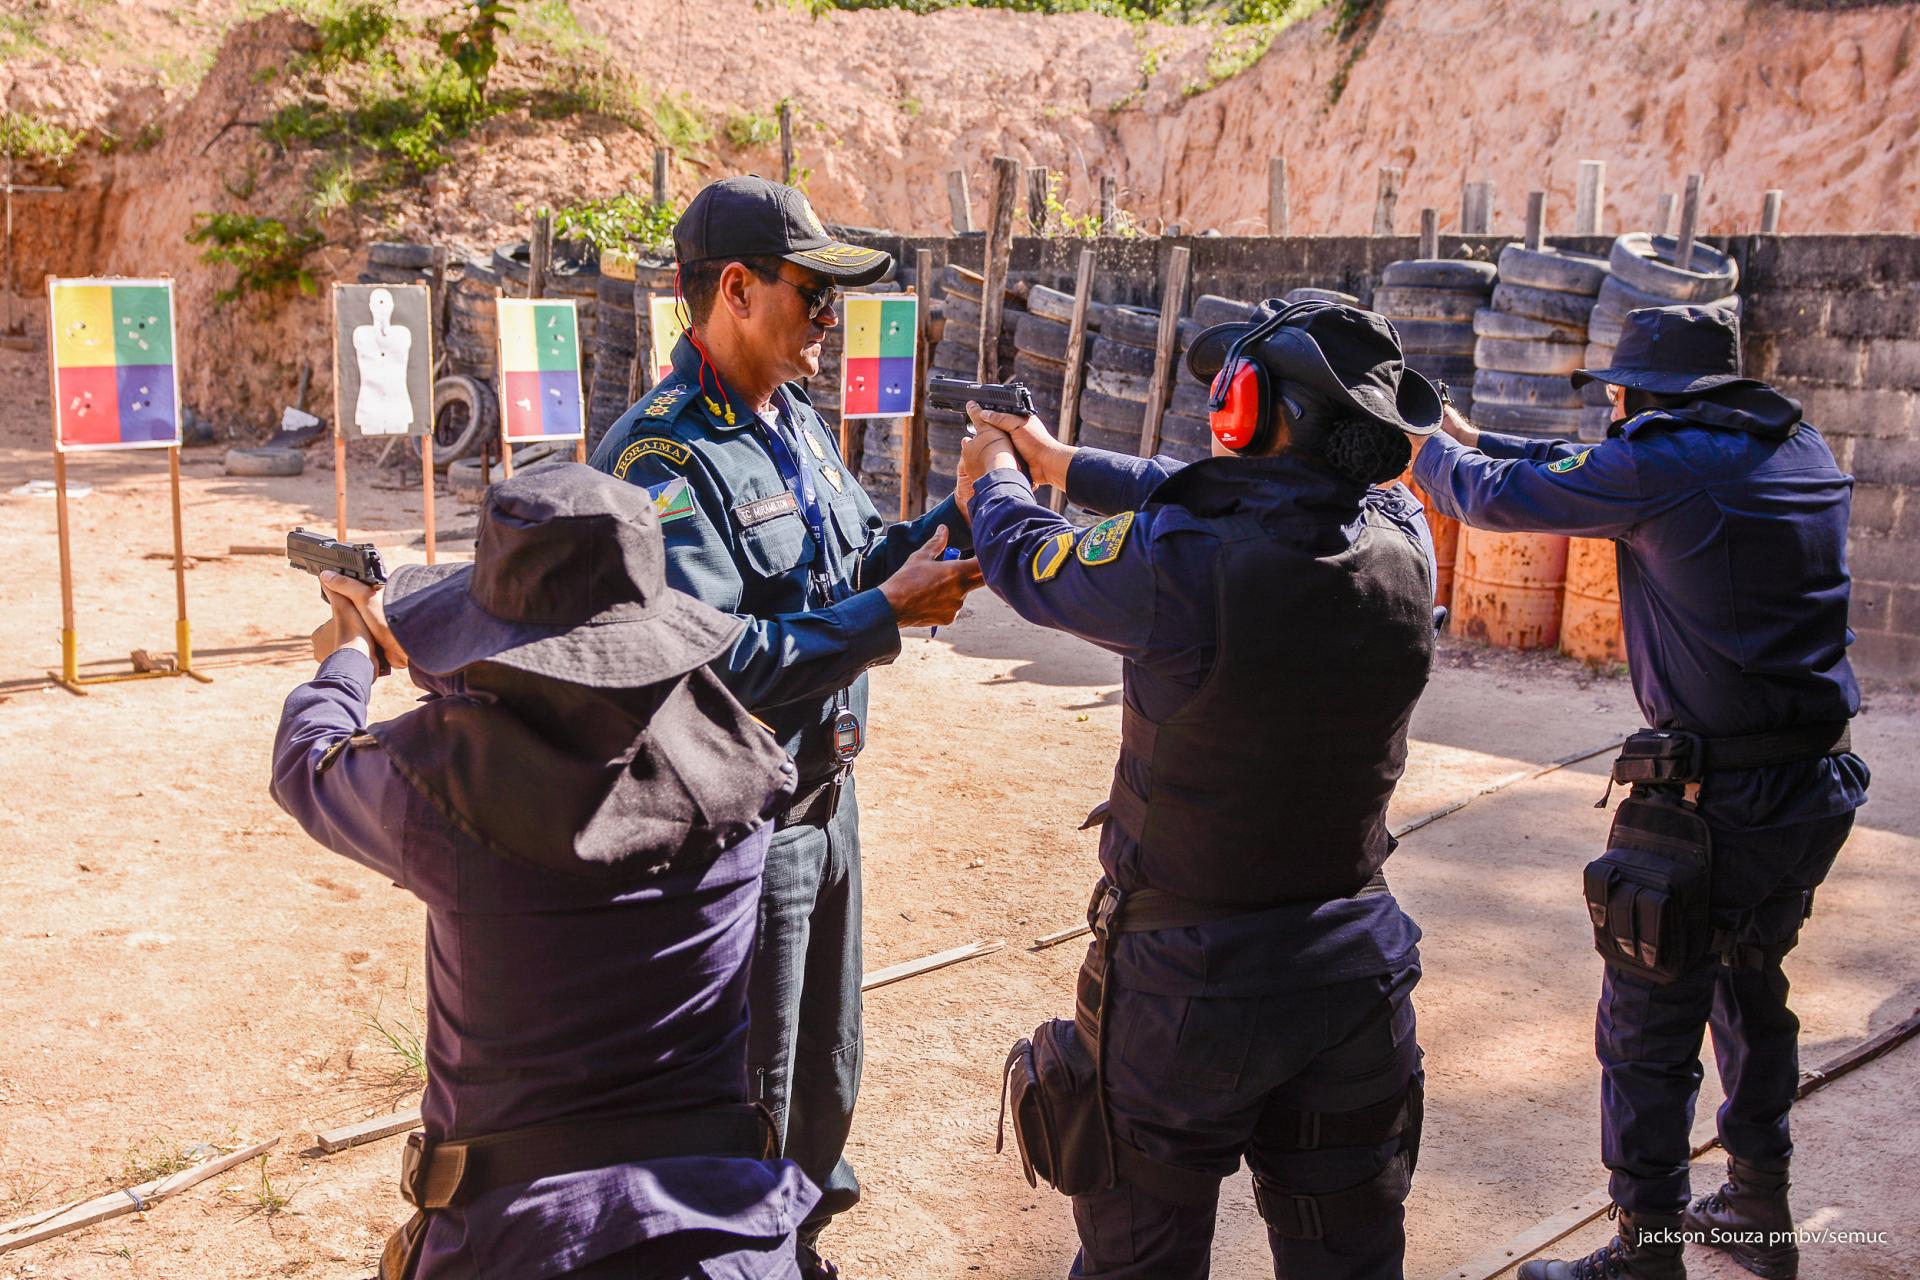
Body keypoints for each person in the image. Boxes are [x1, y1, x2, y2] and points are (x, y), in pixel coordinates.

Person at [962, 300, 1438, 1279]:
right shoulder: (1405, 539)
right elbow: (1230, 495)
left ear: (1252, 405)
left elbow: (1026, 557)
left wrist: (1001, 480)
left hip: (1189, 986)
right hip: (1353, 970)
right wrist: (1061, 458)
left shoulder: (1182, 563)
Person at [271, 465, 821, 1279]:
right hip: (726, 1236)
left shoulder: (441, 783)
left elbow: (305, 764)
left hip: (516, 1242)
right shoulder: (747, 765)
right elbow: (598, 699)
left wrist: (352, 659)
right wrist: (438, 653)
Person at [1413, 305, 1870, 1280]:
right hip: (1809, 784)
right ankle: (1755, 1200)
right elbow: (1557, 462)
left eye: (1618, 392)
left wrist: (1408, 440)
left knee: (1648, 1028)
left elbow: (1493, 498)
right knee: (1752, 985)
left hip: (1714, 806)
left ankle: (1644, 1252)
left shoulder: (1668, 461)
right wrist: (1460, 427)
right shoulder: (1793, 443)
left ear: (1647, 398)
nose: (1611, 407)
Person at [589, 176, 984, 1276]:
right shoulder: (658, 459)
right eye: (811, 294)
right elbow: (723, 668)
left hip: (828, 809)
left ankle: (797, 1247)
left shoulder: (794, 422)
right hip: (742, 833)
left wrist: (966, 506)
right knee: (748, 1102)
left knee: (825, 1078)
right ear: (733, 287)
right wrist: (887, 613)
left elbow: (856, 564)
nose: (827, 321)